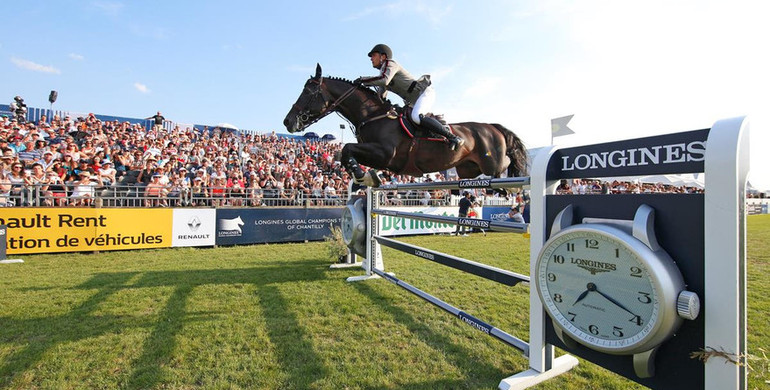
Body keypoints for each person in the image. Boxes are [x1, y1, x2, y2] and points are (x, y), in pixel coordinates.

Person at [355, 44, 464, 150]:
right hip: (413, 101)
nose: (371, 59)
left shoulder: (390, 63)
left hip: (424, 93)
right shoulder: (383, 72)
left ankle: (453, 137)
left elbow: (384, 80)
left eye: (373, 55)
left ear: (383, 56)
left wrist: (363, 80)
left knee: (416, 117)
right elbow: (380, 97)